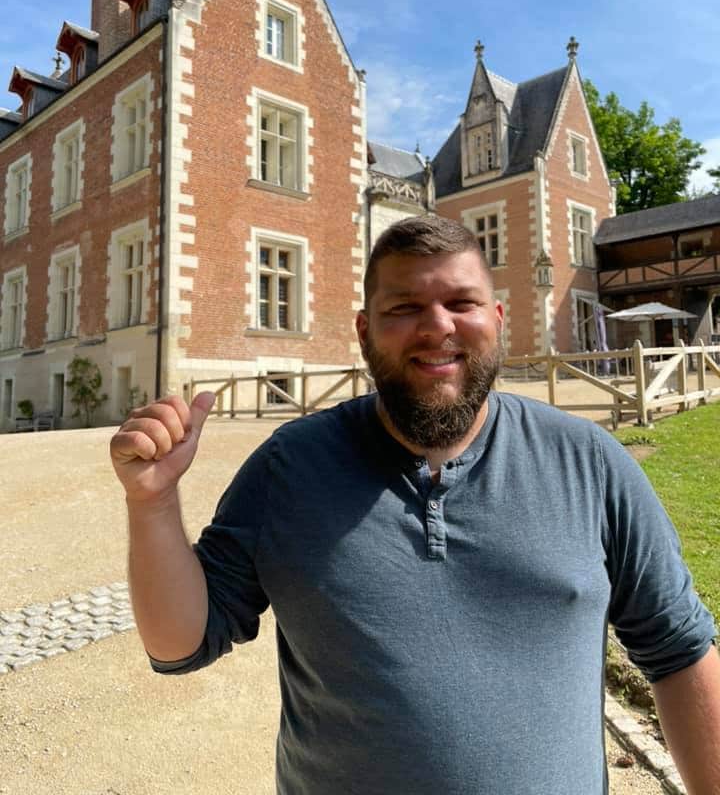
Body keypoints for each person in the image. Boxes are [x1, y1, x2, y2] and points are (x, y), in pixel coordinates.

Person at [111, 215, 720, 795]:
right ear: (363, 330)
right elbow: (181, 643)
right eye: (404, 307)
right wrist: (153, 503)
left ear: (498, 318)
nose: (437, 326)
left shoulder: (590, 463)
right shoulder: (289, 468)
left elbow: (681, 652)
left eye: (461, 303)